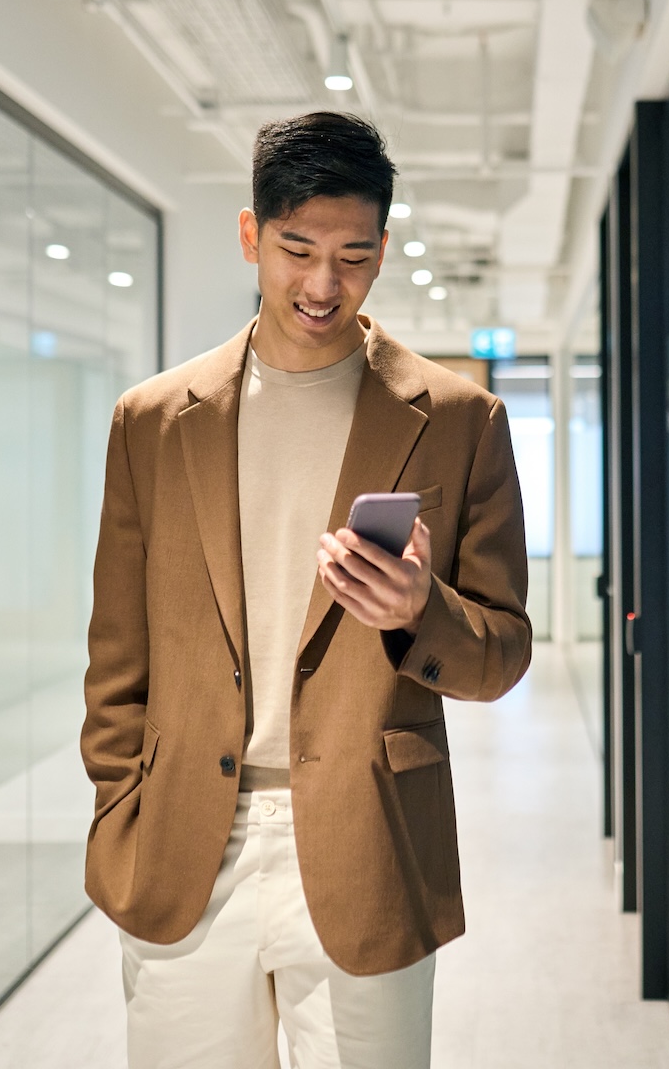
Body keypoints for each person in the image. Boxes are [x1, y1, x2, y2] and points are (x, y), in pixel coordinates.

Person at [80, 111, 533, 1069]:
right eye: (297, 250)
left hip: (371, 843)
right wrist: (120, 809)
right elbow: (118, 654)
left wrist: (422, 612)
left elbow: (504, 652)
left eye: (355, 257)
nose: (324, 284)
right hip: (186, 845)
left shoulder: (458, 420)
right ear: (252, 236)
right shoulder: (154, 423)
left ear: (382, 251)